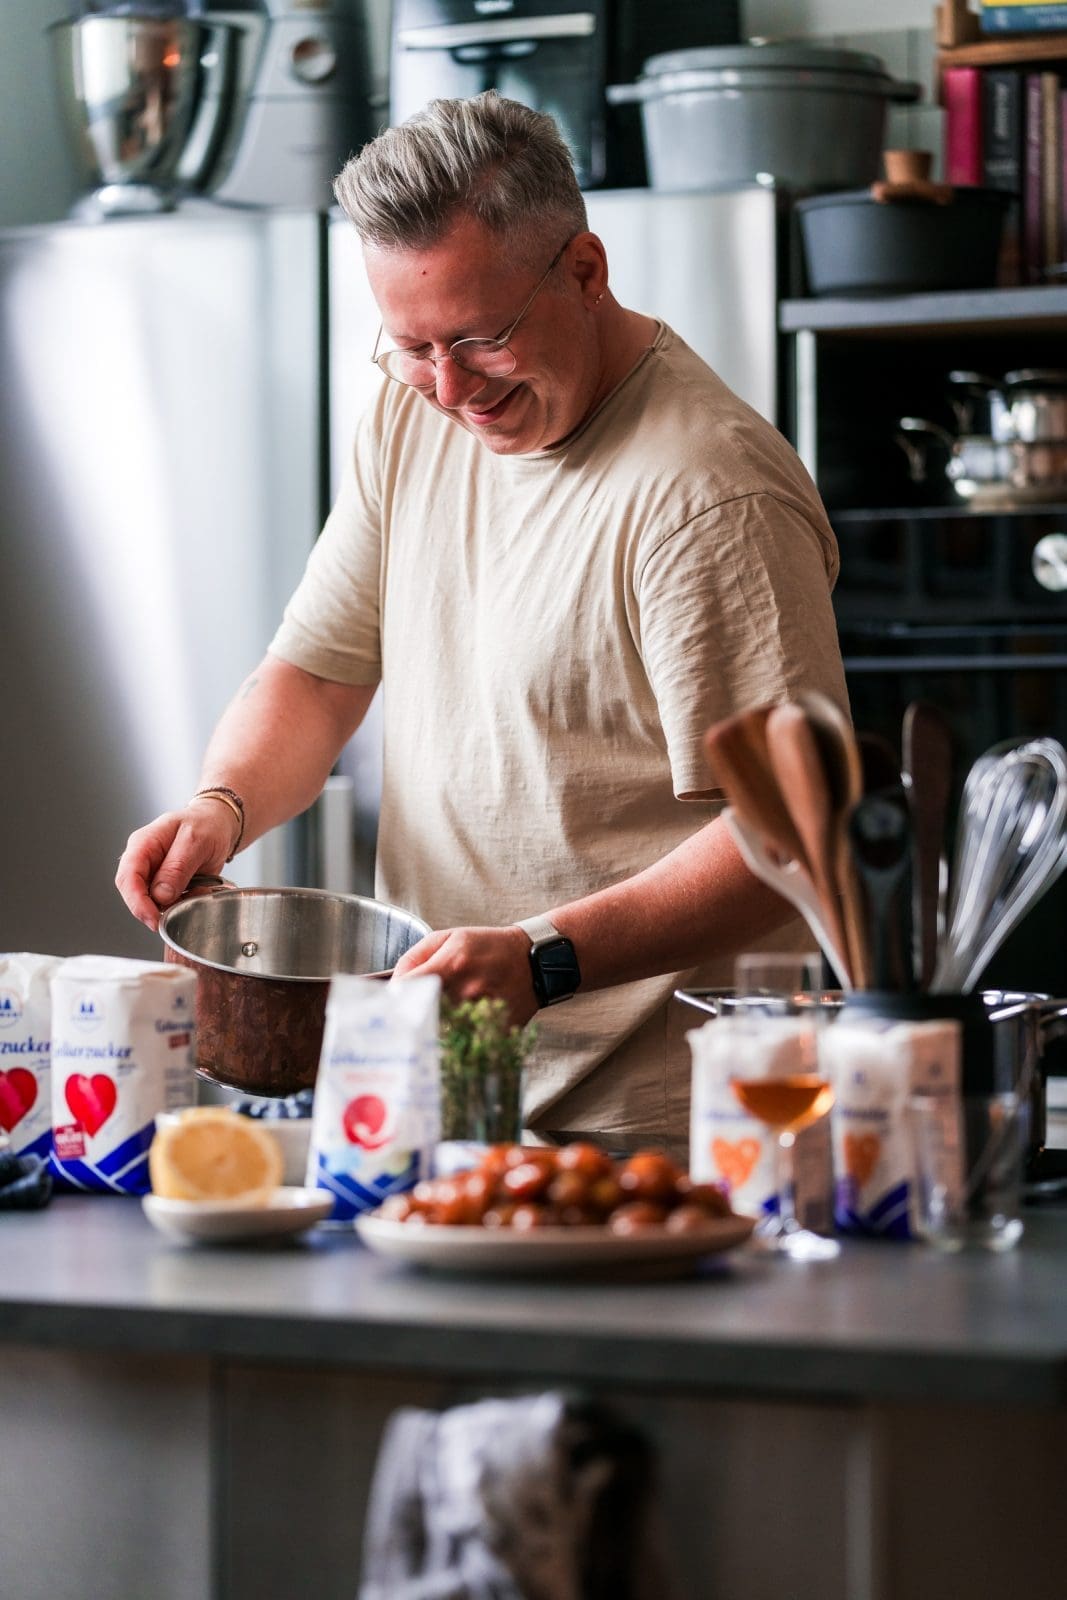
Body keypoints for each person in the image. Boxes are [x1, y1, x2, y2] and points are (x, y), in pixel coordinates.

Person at [116, 91, 848, 1161]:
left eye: (479, 339)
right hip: (433, 1101)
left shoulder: (705, 493)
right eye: (410, 345)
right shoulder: (412, 414)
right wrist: (220, 808)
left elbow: (788, 834)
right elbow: (318, 673)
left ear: (585, 272)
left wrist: (541, 958)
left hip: (658, 1133)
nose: (450, 389)